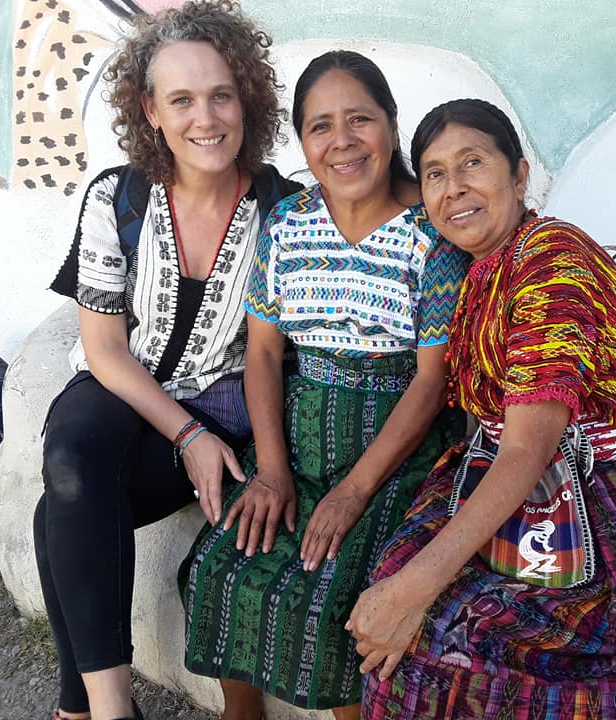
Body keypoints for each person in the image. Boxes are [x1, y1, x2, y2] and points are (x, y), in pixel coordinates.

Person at [348, 99, 616, 720]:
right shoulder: (474, 266)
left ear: (519, 176)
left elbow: (528, 449)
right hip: (530, 476)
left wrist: (417, 589)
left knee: (446, 635)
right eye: (434, 173)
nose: (454, 189)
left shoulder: (551, 262)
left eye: (473, 163)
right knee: (393, 581)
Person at [179, 51, 467, 720]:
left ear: (392, 126)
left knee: (339, 600)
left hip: (397, 452)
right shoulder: (287, 224)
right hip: (300, 443)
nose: (342, 141)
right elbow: (262, 354)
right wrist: (273, 469)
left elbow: (431, 382)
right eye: (321, 126)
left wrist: (352, 493)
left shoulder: (433, 235)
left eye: (360, 119)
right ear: (302, 140)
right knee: (220, 567)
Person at [34, 3, 299, 719]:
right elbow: (106, 350)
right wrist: (188, 435)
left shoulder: (286, 212)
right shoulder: (117, 197)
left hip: (223, 404)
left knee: (55, 515)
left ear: (247, 99)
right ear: (150, 110)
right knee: (74, 454)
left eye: (221, 94)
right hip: (121, 393)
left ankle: (75, 708)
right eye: (181, 99)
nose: (204, 118)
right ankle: (115, 712)